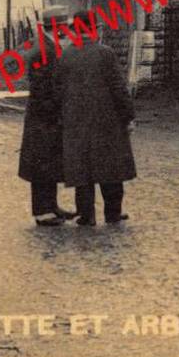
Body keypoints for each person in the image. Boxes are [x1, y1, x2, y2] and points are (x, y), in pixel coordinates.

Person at [61, 36, 137, 225]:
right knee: (111, 168)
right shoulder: (105, 53)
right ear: (94, 30)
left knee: (82, 168)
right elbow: (118, 87)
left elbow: (59, 88)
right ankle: (113, 213)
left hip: (77, 121)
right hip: (107, 120)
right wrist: (128, 115)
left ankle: (86, 215)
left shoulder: (67, 54)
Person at [19, 6, 75, 226]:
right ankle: (42, 211)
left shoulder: (46, 45)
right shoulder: (45, 50)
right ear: (58, 26)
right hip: (43, 115)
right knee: (42, 163)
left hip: (44, 115)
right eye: (65, 26)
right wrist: (57, 107)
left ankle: (51, 205)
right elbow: (43, 87)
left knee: (49, 161)